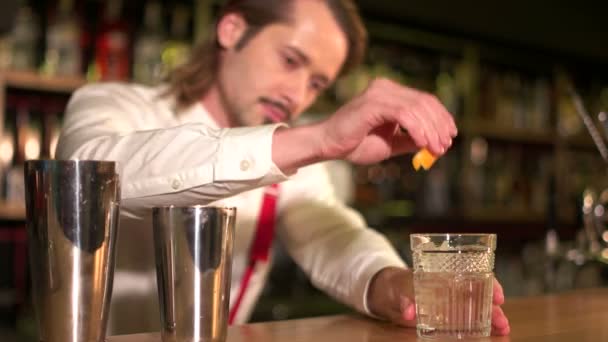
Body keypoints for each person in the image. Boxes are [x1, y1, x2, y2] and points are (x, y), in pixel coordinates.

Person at [56, 0, 510, 336]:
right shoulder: (110, 104)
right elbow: (94, 176)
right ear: (232, 29)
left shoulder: (291, 153)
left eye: (317, 83)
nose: (297, 95)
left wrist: (395, 284)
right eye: (290, 60)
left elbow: (331, 237)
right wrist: (322, 138)